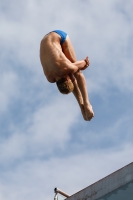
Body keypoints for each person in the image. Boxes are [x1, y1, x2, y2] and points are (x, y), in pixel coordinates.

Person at [40, 30, 94, 121]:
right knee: (74, 71)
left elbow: (84, 63)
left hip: (59, 36)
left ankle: (86, 104)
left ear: (66, 78)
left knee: (76, 72)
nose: (71, 78)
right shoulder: (50, 78)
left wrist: (84, 64)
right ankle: (82, 106)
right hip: (44, 39)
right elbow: (72, 73)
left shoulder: (65, 68)